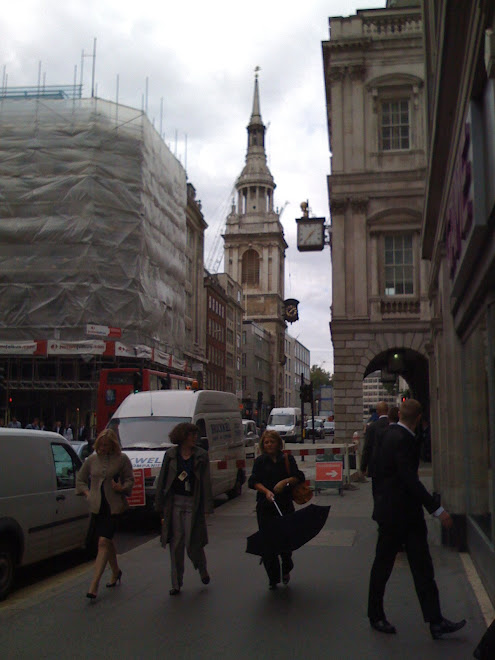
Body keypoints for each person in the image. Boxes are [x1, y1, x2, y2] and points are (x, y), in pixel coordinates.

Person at [367, 398, 466, 639]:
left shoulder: (390, 435)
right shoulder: (401, 440)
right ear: (419, 419)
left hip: (399, 514)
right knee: (389, 566)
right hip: (397, 516)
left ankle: (434, 620)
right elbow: (410, 480)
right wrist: (438, 510)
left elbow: (378, 472)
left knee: (418, 567)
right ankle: (378, 615)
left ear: (400, 414)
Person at [154, 422, 213, 596]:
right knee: (176, 542)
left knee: (191, 541)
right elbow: (163, 479)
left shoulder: (201, 455)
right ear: (182, 436)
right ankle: (176, 583)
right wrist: (159, 503)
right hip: (175, 502)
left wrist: (207, 505)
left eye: (195, 434)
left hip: (193, 503)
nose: (195, 437)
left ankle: (201, 568)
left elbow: (205, 482)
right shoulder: (171, 455)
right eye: (191, 435)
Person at [76, 428, 134, 600]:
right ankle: (116, 572)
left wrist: (121, 488)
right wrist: (87, 493)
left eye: (106, 446)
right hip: (97, 507)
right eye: (100, 445)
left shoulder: (122, 459)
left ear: (113, 445)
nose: (102, 449)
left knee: (103, 542)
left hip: (114, 507)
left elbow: (130, 479)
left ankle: (94, 585)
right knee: (106, 542)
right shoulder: (91, 460)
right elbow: (80, 479)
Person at [248, 430, 305, 589]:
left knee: (285, 542)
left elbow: (298, 477)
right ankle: (273, 578)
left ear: (278, 443)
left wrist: (285, 482)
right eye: (266, 442)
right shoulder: (260, 461)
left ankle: (286, 566)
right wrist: (266, 491)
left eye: (272, 442)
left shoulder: (287, 459)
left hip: (285, 505)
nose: (269, 445)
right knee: (268, 544)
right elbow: (253, 481)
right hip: (266, 506)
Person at [361, 401, 389, 480]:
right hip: (391, 466)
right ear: (388, 410)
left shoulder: (372, 427)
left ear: (377, 411)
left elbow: (367, 447)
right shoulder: (393, 425)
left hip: (375, 466)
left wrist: (363, 466)